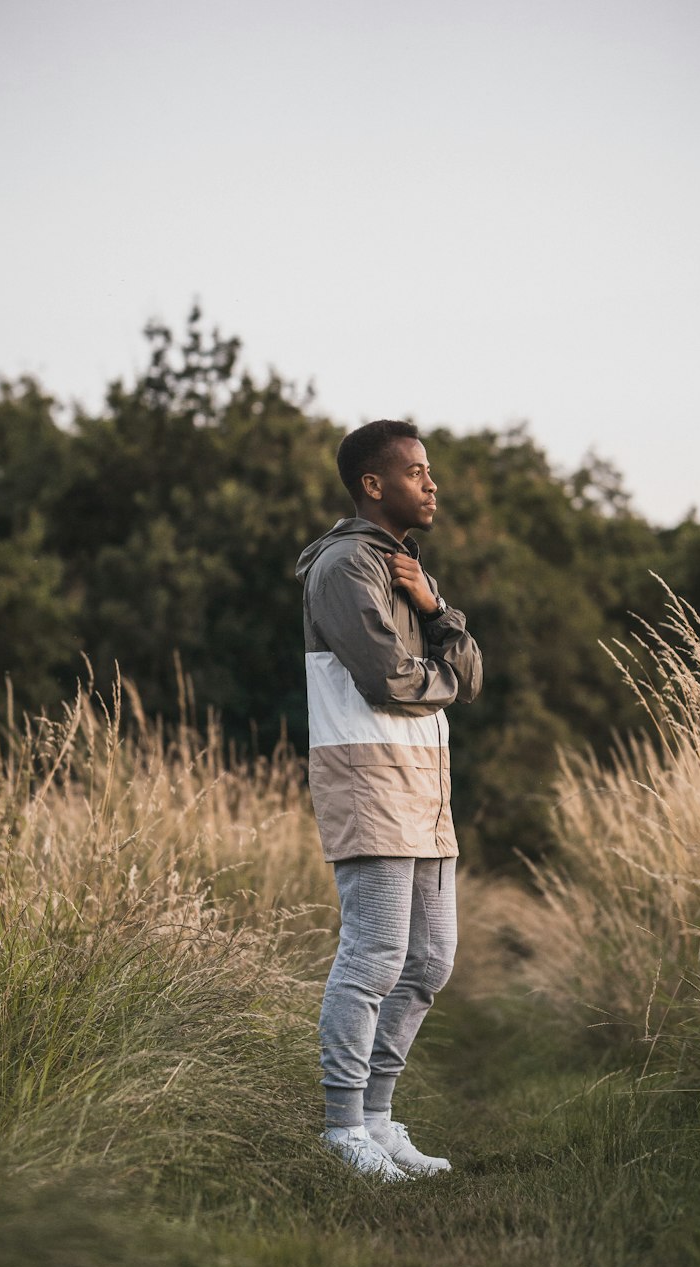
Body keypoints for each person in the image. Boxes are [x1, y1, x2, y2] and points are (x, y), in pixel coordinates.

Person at [295, 419, 483, 1181]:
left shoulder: (406, 568)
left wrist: (437, 610)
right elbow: (389, 678)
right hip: (369, 777)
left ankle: (376, 1120)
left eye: (429, 471)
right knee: (374, 954)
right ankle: (342, 1133)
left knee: (430, 960)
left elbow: (468, 670)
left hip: (424, 782)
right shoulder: (344, 567)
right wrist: (444, 677)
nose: (431, 483)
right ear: (374, 485)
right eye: (415, 471)